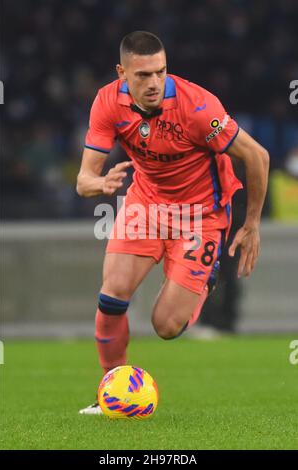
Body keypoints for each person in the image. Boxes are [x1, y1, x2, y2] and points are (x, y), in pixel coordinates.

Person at [76, 31, 269, 414]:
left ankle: (204, 275)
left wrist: (251, 225)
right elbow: (84, 180)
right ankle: (111, 392)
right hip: (145, 206)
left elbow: (257, 157)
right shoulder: (107, 103)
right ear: (122, 73)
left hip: (201, 216)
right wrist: (100, 183)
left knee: (166, 325)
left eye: (160, 73)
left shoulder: (197, 106)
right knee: (111, 296)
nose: (153, 83)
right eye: (143, 75)